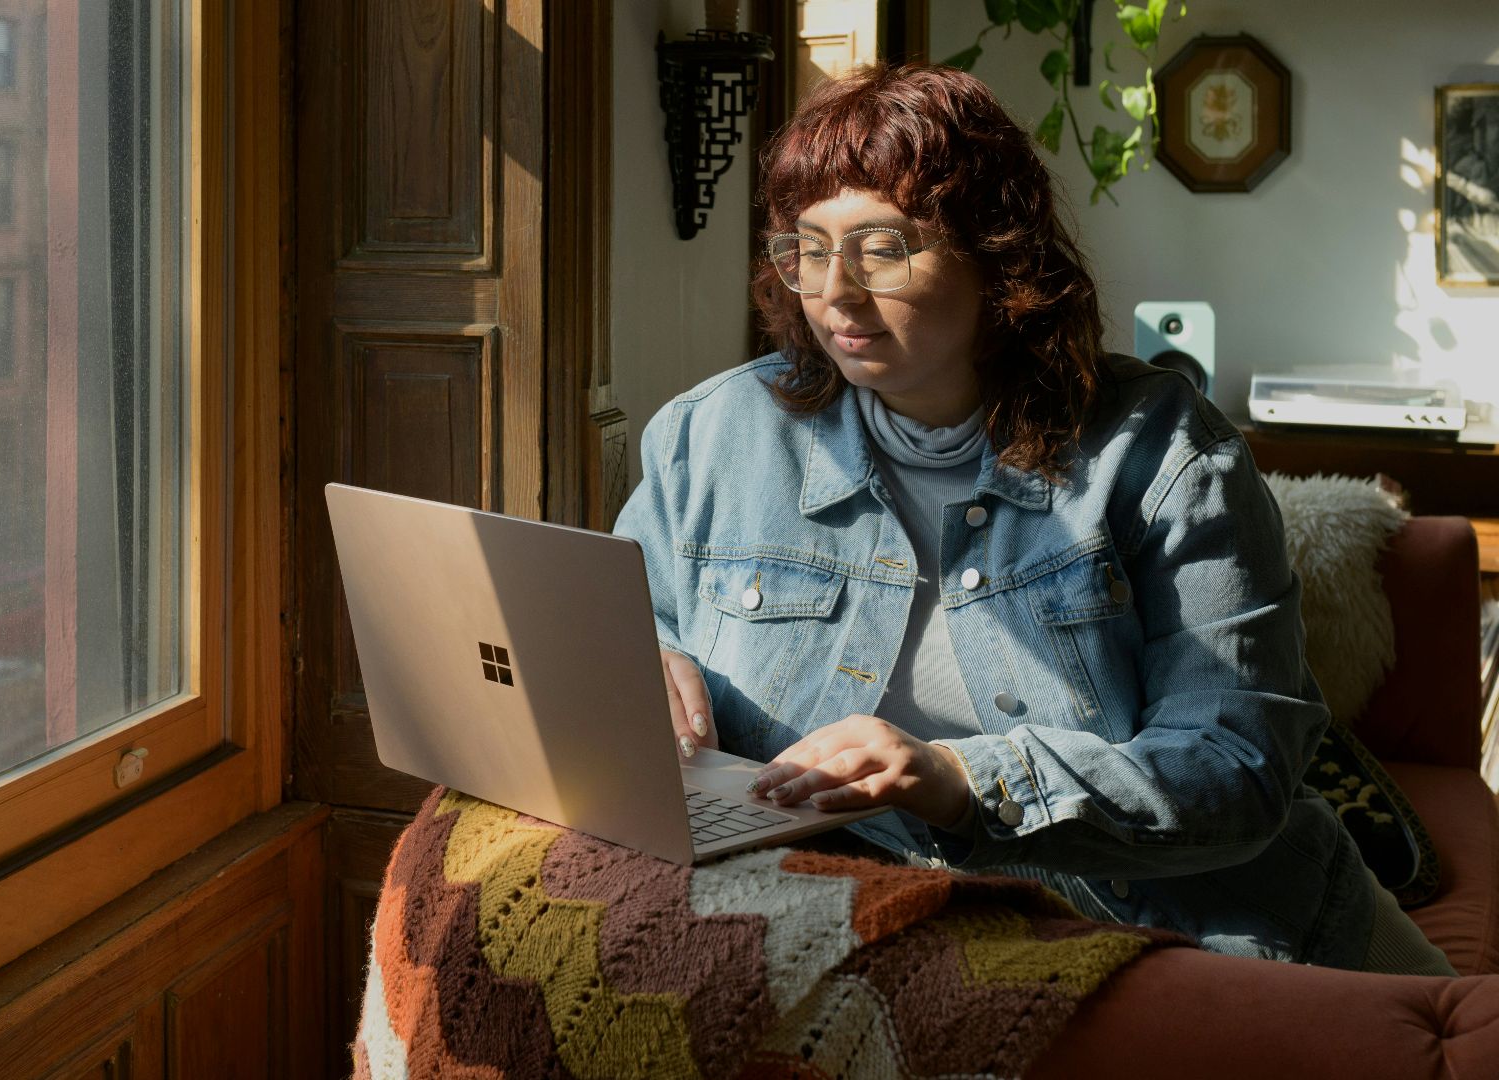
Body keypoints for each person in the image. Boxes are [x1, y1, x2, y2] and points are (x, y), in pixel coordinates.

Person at [612, 64, 1453, 975]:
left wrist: (966, 781)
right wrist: (640, 663)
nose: (835, 292)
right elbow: (631, 620)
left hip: (1172, 930)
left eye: (882, 248)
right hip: (837, 917)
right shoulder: (712, 434)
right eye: (807, 248)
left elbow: (1235, 767)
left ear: (997, 253)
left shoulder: (1164, 453)